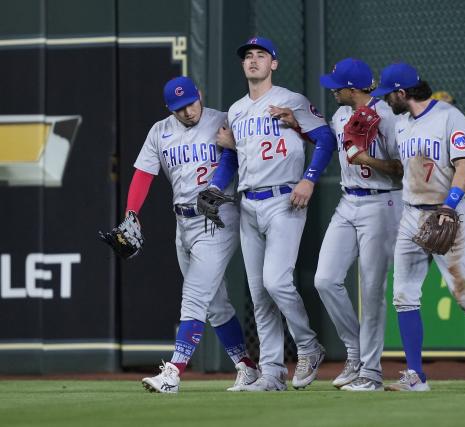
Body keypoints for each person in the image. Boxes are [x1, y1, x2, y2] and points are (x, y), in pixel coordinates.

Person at [370, 63, 465, 391]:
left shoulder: (449, 116)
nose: (388, 101)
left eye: (390, 95)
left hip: (448, 213)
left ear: (402, 92)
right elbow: (404, 169)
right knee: (403, 295)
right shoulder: (401, 124)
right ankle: (416, 376)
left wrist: (449, 206)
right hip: (412, 214)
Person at [209, 36, 336, 391]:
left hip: (285, 199)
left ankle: (309, 346)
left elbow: (326, 139)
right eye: (247, 55)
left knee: (276, 281)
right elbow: (233, 157)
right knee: (258, 292)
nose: (253, 61)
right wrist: (219, 186)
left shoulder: (290, 100)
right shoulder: (235, 110)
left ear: (273, 64)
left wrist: (309, 179)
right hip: (248, 202)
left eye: (260, 55)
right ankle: (271, 372)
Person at [277, 58, 402, 391]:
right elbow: (331, 142)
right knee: (325, 279)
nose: (332, 91)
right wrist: (298, 126)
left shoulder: (387, 117)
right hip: (349, 202)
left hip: (383, 201)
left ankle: (372, 373)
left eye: (337, 87)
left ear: (353, 88)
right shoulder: (341, 115)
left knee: (371, 289)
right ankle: (356, 351)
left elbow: (403, 170)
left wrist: (368, 160)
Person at [128, 76, 258, 393]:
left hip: (217, 217)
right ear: (169, 108)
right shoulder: (160, 131)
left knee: (194, 297)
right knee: (215, 304)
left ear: (200, 95)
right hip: (183, 222)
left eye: (190, 102)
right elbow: (143, 174)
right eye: (179, 108)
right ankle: (247, 367)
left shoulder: (221, 121)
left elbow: (230, 157)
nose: (187, 111)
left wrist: (215, 186)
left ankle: (173, 372)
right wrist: (132, 212)